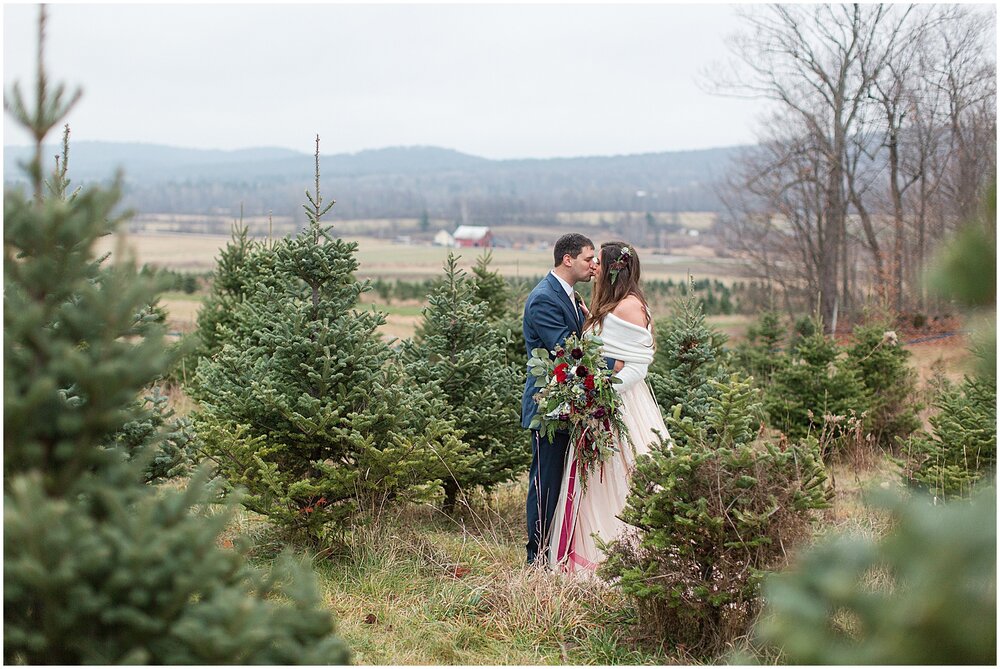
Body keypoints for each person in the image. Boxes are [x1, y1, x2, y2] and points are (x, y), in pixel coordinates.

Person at [547, 240, 671, 574]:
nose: (594, 266)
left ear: (614, 267)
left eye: (599, 261)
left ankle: (628, 561)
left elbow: (639, 365)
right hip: (599, 404)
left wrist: (604, 393)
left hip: (620, 404)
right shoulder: (608, 304)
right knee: (596, 484)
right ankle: (591, 554)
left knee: (621, 478)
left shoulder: (630, 305)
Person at [521, 233, 602, 566]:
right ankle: (536, 558)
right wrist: (616, 368)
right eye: (588, 259)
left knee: (562, 482)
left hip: (571, 406)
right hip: (549, 408)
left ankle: (559, 553)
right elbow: (568, 351)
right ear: (567, 259)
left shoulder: (570, 295)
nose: (594, 265)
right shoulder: (544, 298)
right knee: (546, 484)